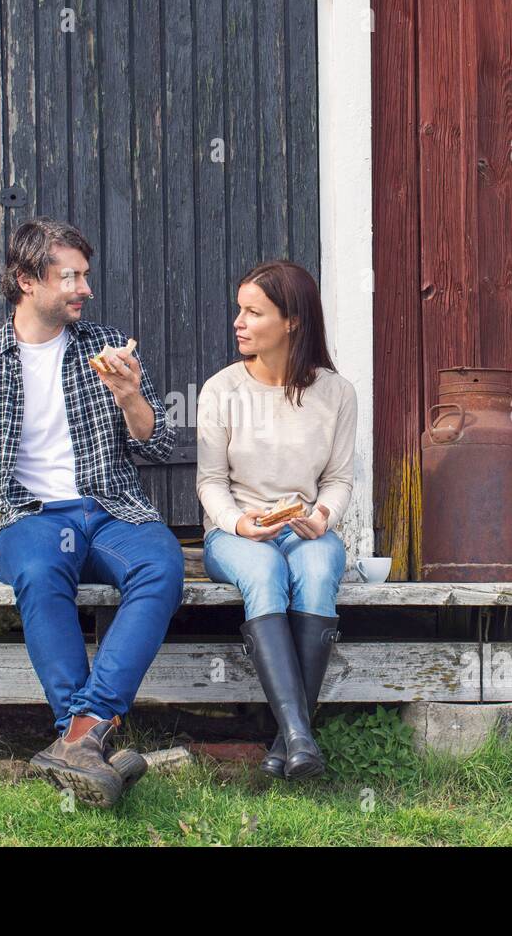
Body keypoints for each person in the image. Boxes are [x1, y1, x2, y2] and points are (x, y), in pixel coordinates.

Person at [0, 217, 183, 808]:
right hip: (34, 519)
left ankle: (76, 737)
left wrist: (130, 397)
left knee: (162, 566)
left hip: (112, 511)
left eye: (85, 276)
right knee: (41, 573)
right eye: (69, 276)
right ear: (25, 280)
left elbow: (158, 447)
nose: (83, 289)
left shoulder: (107, 348)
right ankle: (89, 739)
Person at [195, 260, 357, 779]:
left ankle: (289, 741)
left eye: (253, 312)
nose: (238, 322)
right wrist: (240, 525)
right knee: (264, 572)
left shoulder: (336, 393)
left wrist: (324, 516)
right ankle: (300, 738)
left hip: (306, 529)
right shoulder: (222, 390)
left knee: (315, 571)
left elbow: (339, 479)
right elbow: (210, 483)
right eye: (238, 310)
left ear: (291, 322)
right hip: (236, 533)